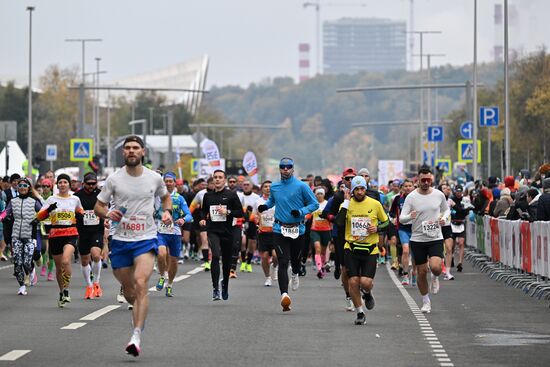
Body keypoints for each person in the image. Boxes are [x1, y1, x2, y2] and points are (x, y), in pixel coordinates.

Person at [94, 135, 173, 357]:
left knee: (140, 283)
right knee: (130, 292)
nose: (131, 151)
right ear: (123, 152)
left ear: (142, 152)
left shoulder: (154, 178)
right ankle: (137, 313)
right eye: (127, 148)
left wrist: (166, 211)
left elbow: (165, 198)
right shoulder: (114, 179)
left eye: (135, 148)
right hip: (120, 240)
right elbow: (98, 206)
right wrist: (107, 213)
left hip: (145, 238)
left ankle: (136, 335)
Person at [257, 158, 318, 312]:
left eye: (288, 167)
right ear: (279, 169)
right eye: (283, 167)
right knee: (283, 261)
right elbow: (272, 201)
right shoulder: (275, 186)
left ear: (292, 169)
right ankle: (284, 295)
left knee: (295, 261)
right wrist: (265, 206)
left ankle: (296, 273)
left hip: (298, 229)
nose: (285, 169)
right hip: (279, 229)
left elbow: (314, 204)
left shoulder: (302, 186)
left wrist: (301, 211)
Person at [336, 176, 389, 324]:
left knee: (365, 282)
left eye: (362, 189)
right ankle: (360, 313)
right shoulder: (346, 204)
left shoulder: (375, 204)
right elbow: (339, 223)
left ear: (366, 189)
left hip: (370, 250)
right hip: (351, 248)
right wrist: (346, 203)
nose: (360, 192)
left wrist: (377, 228)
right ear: (352, 190)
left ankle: (367, 292)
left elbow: (386, 222)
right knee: (353, 282)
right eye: (356, 189)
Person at [399, 166, 449, 314]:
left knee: (435, 267)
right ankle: (426, 301)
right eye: (423, 180)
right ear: (418, 180)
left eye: (429, 180)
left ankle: (435, 276)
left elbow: (446, 210)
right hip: (418, 238)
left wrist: (444, 218)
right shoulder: (412, 197)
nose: (426, 183)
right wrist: (410, 216)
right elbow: (402, 218)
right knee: (421, 272)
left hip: (435, 237)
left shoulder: (439, 195)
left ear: (432, 179)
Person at [36, 174, 84, 307]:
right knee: (58, 268)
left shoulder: (75, 199)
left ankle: (67, 290)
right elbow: (39, 216)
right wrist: (49, 210)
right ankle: (62, 292)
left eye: (65, 182)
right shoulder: (51, 199)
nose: (63, 184)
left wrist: (81, 216)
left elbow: (81, 212)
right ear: (57, 185)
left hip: (71, 233)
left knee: (65, 260)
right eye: (60, 182)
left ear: (69, 184)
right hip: (55, 234)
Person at [200, 169, 244, 301]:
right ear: (213, 180)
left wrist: (228, 211)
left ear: (224, 180)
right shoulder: (208, 196)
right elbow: (203, 212)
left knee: (226, 262)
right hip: (213, 231)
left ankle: (225, 285)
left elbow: (240, 213)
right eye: (215, 177)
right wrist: (202, 219)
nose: (217, 179)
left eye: (220, 177)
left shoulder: (231, 195)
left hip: (227, 232)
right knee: (215, 256)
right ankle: (215, 289)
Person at [1, 177, 42, 295]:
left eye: (25, 185)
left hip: (30, 236)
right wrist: (2, 217)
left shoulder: (34, 201)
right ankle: (22, 287)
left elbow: (43, 213)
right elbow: (5, 212)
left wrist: (38, 219)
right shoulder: (13, 201)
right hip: (16, 236)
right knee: (17, 262)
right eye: (20, 186)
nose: (22, 188)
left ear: (29, 188)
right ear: (17, 188)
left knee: (27, 262)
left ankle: (32, 269)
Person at [155, 172, 192, 297]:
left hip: (175, 233)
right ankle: (162, 276)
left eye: (171, 181)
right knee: (161, 254)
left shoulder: (179, 198)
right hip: (160, 231)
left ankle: (170, 284)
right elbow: (151, 211)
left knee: (173, 261)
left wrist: (183, 220)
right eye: (166, 180)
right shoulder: (158, 197)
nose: (168, 183)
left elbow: (189, 215)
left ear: (175, 183)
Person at [75, 172, 105, 299]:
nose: (91, 186)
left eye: (94, 184)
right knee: (85, 260)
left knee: (96, 254)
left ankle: (96, 282)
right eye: (89, 184)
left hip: (97, 229)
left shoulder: (101, 195)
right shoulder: (77, 196)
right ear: (83, 184)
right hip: (82, 231)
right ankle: (89, 286)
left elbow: (106, 208)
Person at [254, 180, 278, 286]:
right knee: (264, 256)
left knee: (275, 255)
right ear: (262, 189)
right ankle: (268, 277)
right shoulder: (258, 202)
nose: (268, 188)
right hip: (263, 232)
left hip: (276, 232)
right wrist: (256, 221)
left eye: (270, 187)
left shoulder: (278, 200)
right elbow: (254, 215)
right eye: (265, 186)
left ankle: (275, 266)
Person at [310, 187, 332, 279]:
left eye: (321, 194)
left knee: (323, 251)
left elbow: (331, 216)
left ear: (324, 195)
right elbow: (308, 215)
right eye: (317, 194)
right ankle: (319, 269)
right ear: (315, 195)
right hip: (315, 230)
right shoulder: (313, 204)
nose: (319, 195)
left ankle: (322, 266)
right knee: (317, 248)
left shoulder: (327, 204)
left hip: (326, 230)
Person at [240, 179, 260, 273]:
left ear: (252, 186)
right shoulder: (238, 195)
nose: (246, 186)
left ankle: (248, 262)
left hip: (252, 222)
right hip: (242, 222)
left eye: (248, 184)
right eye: (244, 184)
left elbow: (259, 210)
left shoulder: (256, 197)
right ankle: (243, 261)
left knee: (252, 243)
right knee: (243, 242)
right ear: (242, 186)